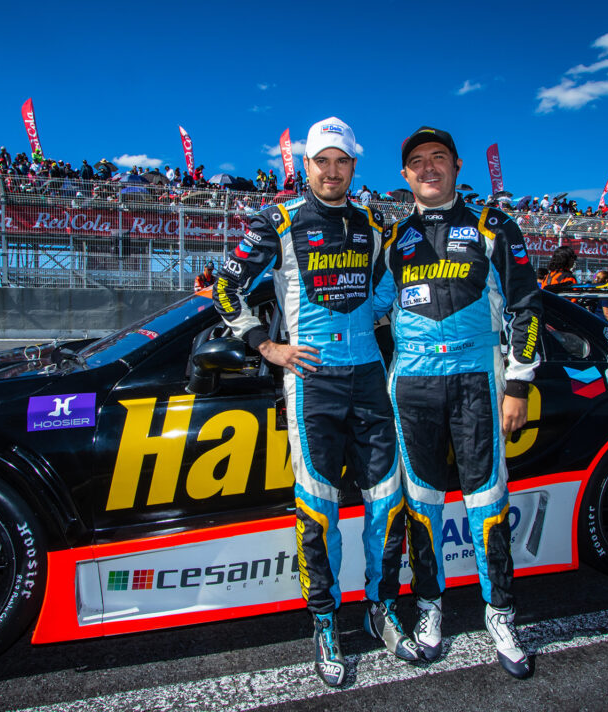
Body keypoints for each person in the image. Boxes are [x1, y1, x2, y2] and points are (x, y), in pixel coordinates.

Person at [213, 116, 416, 687]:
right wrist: (266, 346)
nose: (331, 171)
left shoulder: (374, 224)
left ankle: (382, 608)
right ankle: (325, 621)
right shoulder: (277, 221)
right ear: (306, 166)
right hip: (310, 381)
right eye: (321, 161)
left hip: (369, 376)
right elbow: (225, 288)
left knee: (387, 500)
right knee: (318, 507)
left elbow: (388, 291)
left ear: (354, 166)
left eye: (341, 161)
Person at [379, 126, 541, 679]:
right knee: (422, 503)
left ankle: (501, 614)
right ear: (405, 175)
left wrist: (518, 384)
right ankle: (429, 607)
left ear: (456, 166)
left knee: (487, 500)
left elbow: (526, 305)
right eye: (418, 161)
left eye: (439, 158)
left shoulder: (494, 226)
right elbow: (364, 307)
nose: (429, 168)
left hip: (478, 382)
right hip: (413, 385)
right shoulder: (392, 239)